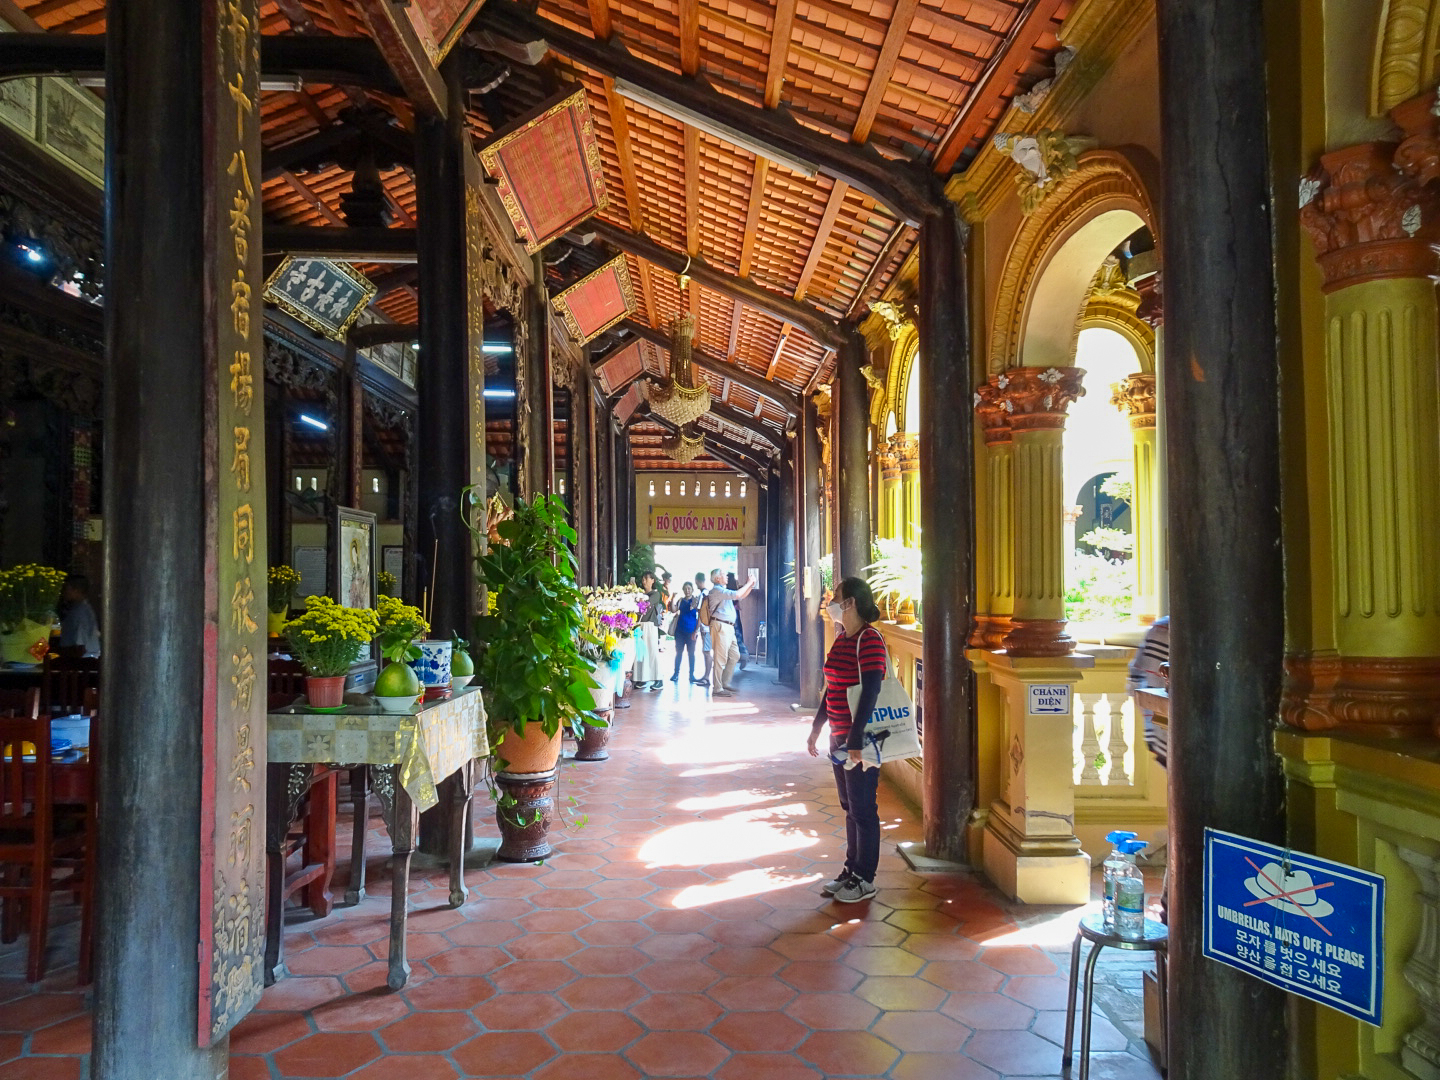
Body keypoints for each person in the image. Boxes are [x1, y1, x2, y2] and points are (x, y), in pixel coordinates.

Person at [805, 577, 887, 904]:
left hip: (860, 740)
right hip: (839, 737)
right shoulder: (842, 639)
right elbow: (833, 690)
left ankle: (865, 878)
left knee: (864, 809)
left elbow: (871, 691)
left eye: (836, 596)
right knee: (849, 806)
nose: (831, 601)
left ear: (850, 602)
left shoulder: (869, 640)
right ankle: (851, 870)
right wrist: (816, 728)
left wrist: (855, 739)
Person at [703, 567, 756, 697]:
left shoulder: (723, 591)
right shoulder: (717, 590)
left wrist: (751, 585)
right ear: (717, 579)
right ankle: (717, 688)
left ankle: (724, 683)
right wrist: (749, 583)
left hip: (728, 628)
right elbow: (737, 594)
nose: (726, 576)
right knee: (720, 658)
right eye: (723, 574)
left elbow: (741, 595)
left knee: (735, 655)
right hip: (721, 626)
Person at [633, 571, 665, 690]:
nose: (644, 581)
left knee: (651, 652)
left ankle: (658, 679)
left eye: (646, 578)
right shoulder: (639, 594)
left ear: (653, 581)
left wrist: (638, 599)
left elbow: (645, 605)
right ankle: (642, 678)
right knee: (639, 653)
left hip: (649, 626)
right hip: (639, 625)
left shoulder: (655, 594)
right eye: (643, 578)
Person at [57, 574, 101, 657]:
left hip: (82, 659)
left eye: (66, 589)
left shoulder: (80, 612)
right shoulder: (78, 608)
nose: (63, 592)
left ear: (77, 591)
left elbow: (80, 643)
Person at [670, 582, 702, 683]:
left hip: (691, 631)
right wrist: (672, 599)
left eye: (689, 588)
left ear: (692, 590)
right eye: (685, 589)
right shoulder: (681, 601)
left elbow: (700, 616)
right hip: (680, 631)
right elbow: (673, 610)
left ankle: (691, 675)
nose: (687, 591)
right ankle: (676, 674)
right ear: (683, 590)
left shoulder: (696, 601)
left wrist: (696, 631)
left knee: (691, 654)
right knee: (678, 653)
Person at [727, 572, 751, 672]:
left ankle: (742, 655)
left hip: (729, 615)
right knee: (738, 635)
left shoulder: (727, 590)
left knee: (732, 637)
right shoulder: (736, 588)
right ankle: (743, 655)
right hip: (735, 614)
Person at [693, 572, 712, 686]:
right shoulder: (707, 593)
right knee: (706, 651)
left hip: (706, 628)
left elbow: (700, 613)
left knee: (706, 652)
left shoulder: (703, 595)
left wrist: (696, 630)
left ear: (698, 581)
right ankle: (706, 676)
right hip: (708, 627)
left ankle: (706, 677)